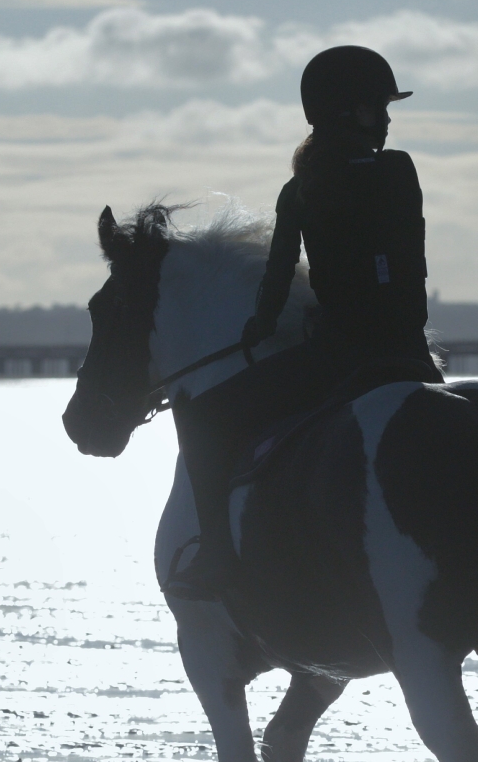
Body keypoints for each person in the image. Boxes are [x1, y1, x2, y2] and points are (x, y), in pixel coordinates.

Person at [164, 45, 444, 600]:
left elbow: (277, 277)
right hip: (411, 350)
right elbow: (412, 262)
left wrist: (260, 328)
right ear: (346, 113)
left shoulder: (299, 191)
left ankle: (218, 554)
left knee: (203, 421)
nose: (386, 119)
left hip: (338, 355)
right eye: (376, 108)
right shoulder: (400, 172)